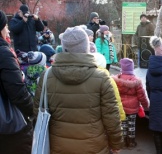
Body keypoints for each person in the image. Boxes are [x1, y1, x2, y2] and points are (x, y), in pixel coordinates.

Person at [33, 26, 123, 154]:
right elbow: (111, 117)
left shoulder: (47, 76)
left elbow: (38, 113)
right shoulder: (102, 78)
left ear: (64, 48)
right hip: (94, 147)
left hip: (58, 146)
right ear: (86, 47)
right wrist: (116, 143)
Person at [0, 10, 34, 154]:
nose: (7, 30)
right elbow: (18, 93)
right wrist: (33, 111)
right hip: (8, 131)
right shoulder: (3, 53)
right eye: (5, 26)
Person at [112, 58, 149, 149]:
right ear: (132, 68)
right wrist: (145, 105)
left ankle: (123, 142)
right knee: (131, 125)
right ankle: (131, 143)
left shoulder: (117, 80)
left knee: (123, 125)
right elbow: (141, 95)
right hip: (133, 108)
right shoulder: (136, 80)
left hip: (121, 107)